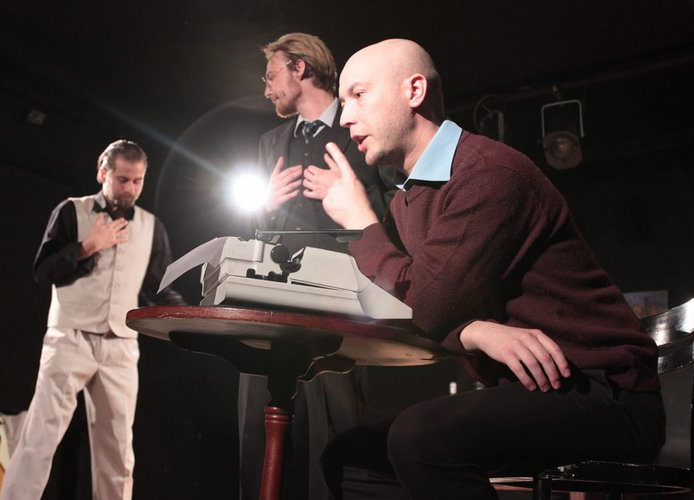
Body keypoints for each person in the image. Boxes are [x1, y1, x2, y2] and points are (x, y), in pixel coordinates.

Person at [311, 39, 665, 499]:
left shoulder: (488, 173)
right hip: (536, 389)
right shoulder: (408, 199)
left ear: (414, 91)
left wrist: (361, 223)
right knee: (350, 457)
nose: (345, 117)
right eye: (342, 103)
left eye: (358, 95)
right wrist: (471, 332)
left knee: (421, 438)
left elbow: (422, 305)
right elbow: (401, 302)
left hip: (604, 392)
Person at [238, 33, 396, 500]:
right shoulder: (269, 142)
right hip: (268, 306)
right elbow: (248, 232)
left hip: (339, 310)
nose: (266, 88)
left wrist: (354, 198)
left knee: (331, 443)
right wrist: (264, 206)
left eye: (271, 74)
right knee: (258, 439)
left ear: (300, 67)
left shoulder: (361, 129)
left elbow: (400, 212)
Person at [0, 139, 186, 500]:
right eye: (122, 179)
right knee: (38, 440)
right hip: (69, 338)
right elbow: (43, 271)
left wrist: (193, 315)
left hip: (120, 347)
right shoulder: (72, 211)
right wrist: (87, 247)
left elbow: (156, 291)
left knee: (118, 452)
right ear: (103, 173)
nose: (129, 189)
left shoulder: (152, 227)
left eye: (137, 181)